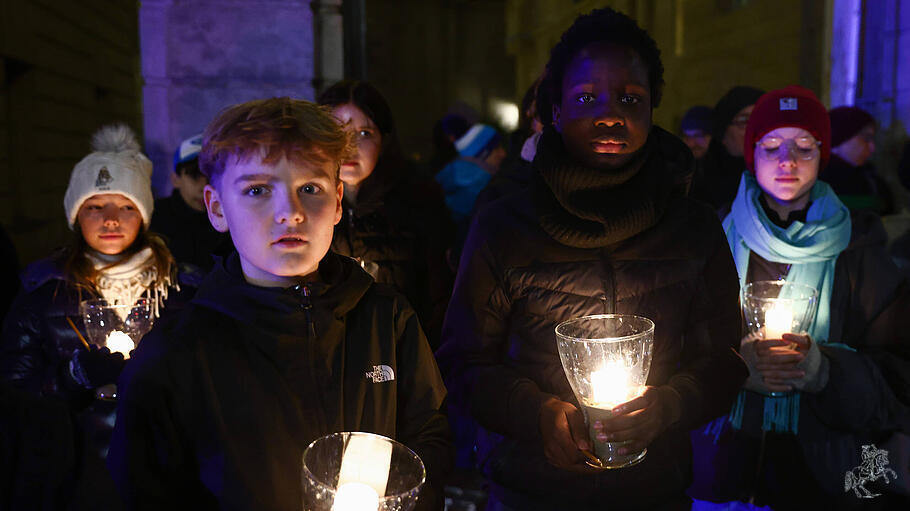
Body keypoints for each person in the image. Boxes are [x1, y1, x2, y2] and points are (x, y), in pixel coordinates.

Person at [435, 8, 748, 510]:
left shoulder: (693, 228)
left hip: (654, 490)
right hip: (528, 491)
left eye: (631, 98)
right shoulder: (502, 226)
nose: (611, 115)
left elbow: (724, 361)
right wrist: (536, 414)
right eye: (585, 98)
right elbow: (463, 362)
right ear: (555, 111)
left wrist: (667, 405)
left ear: (651, 109)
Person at [107, 97, 452, 511]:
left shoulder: (388, 318)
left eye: (310, 188)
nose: (290, 213)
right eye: (257, 190)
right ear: (217, 208)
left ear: (338, 201)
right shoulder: (174, 357)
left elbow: (427, 433)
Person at [690, 86, 910, 509]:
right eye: (771, 145)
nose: (787, 160)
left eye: (803, 147)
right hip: (719, 470)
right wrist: (731, 370)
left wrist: (825, 371)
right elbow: (673, 349)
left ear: (822, 154)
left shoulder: (859, 250)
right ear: (750, 154)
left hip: (822, 477)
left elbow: (897, 383)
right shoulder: (711, 238)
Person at [0, 124, 181, 510]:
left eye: (126, 206)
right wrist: (72, 378)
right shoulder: (43, 291)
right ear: (75, 215)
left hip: (165, 467)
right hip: (76, 470)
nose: (111, 219)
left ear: (145, 214)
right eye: (95, 207)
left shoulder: (182, 289)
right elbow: (16, 391)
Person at [317, 81, 453, 348]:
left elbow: (441, 300)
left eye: (365, 133)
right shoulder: (304, 205)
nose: (349, 145)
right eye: (336, 131)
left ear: (384, 139)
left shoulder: (419, 201)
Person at [150, 133, 231, 276]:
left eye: (212, 177)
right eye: (194, 176)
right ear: (175, 179)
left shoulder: (231, 219)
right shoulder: (153, 217)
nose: (204, 187)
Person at [692, 86, 765, 212]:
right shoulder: (697, 184)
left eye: (762, 120)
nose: (755, 129)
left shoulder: (777, 182)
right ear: (723, 133)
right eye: (744, 121)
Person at [820, 106, 895, 215]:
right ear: (840, 137)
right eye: (866, 138)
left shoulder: (871, 180)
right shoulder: (813, 183)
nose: (872, 147)